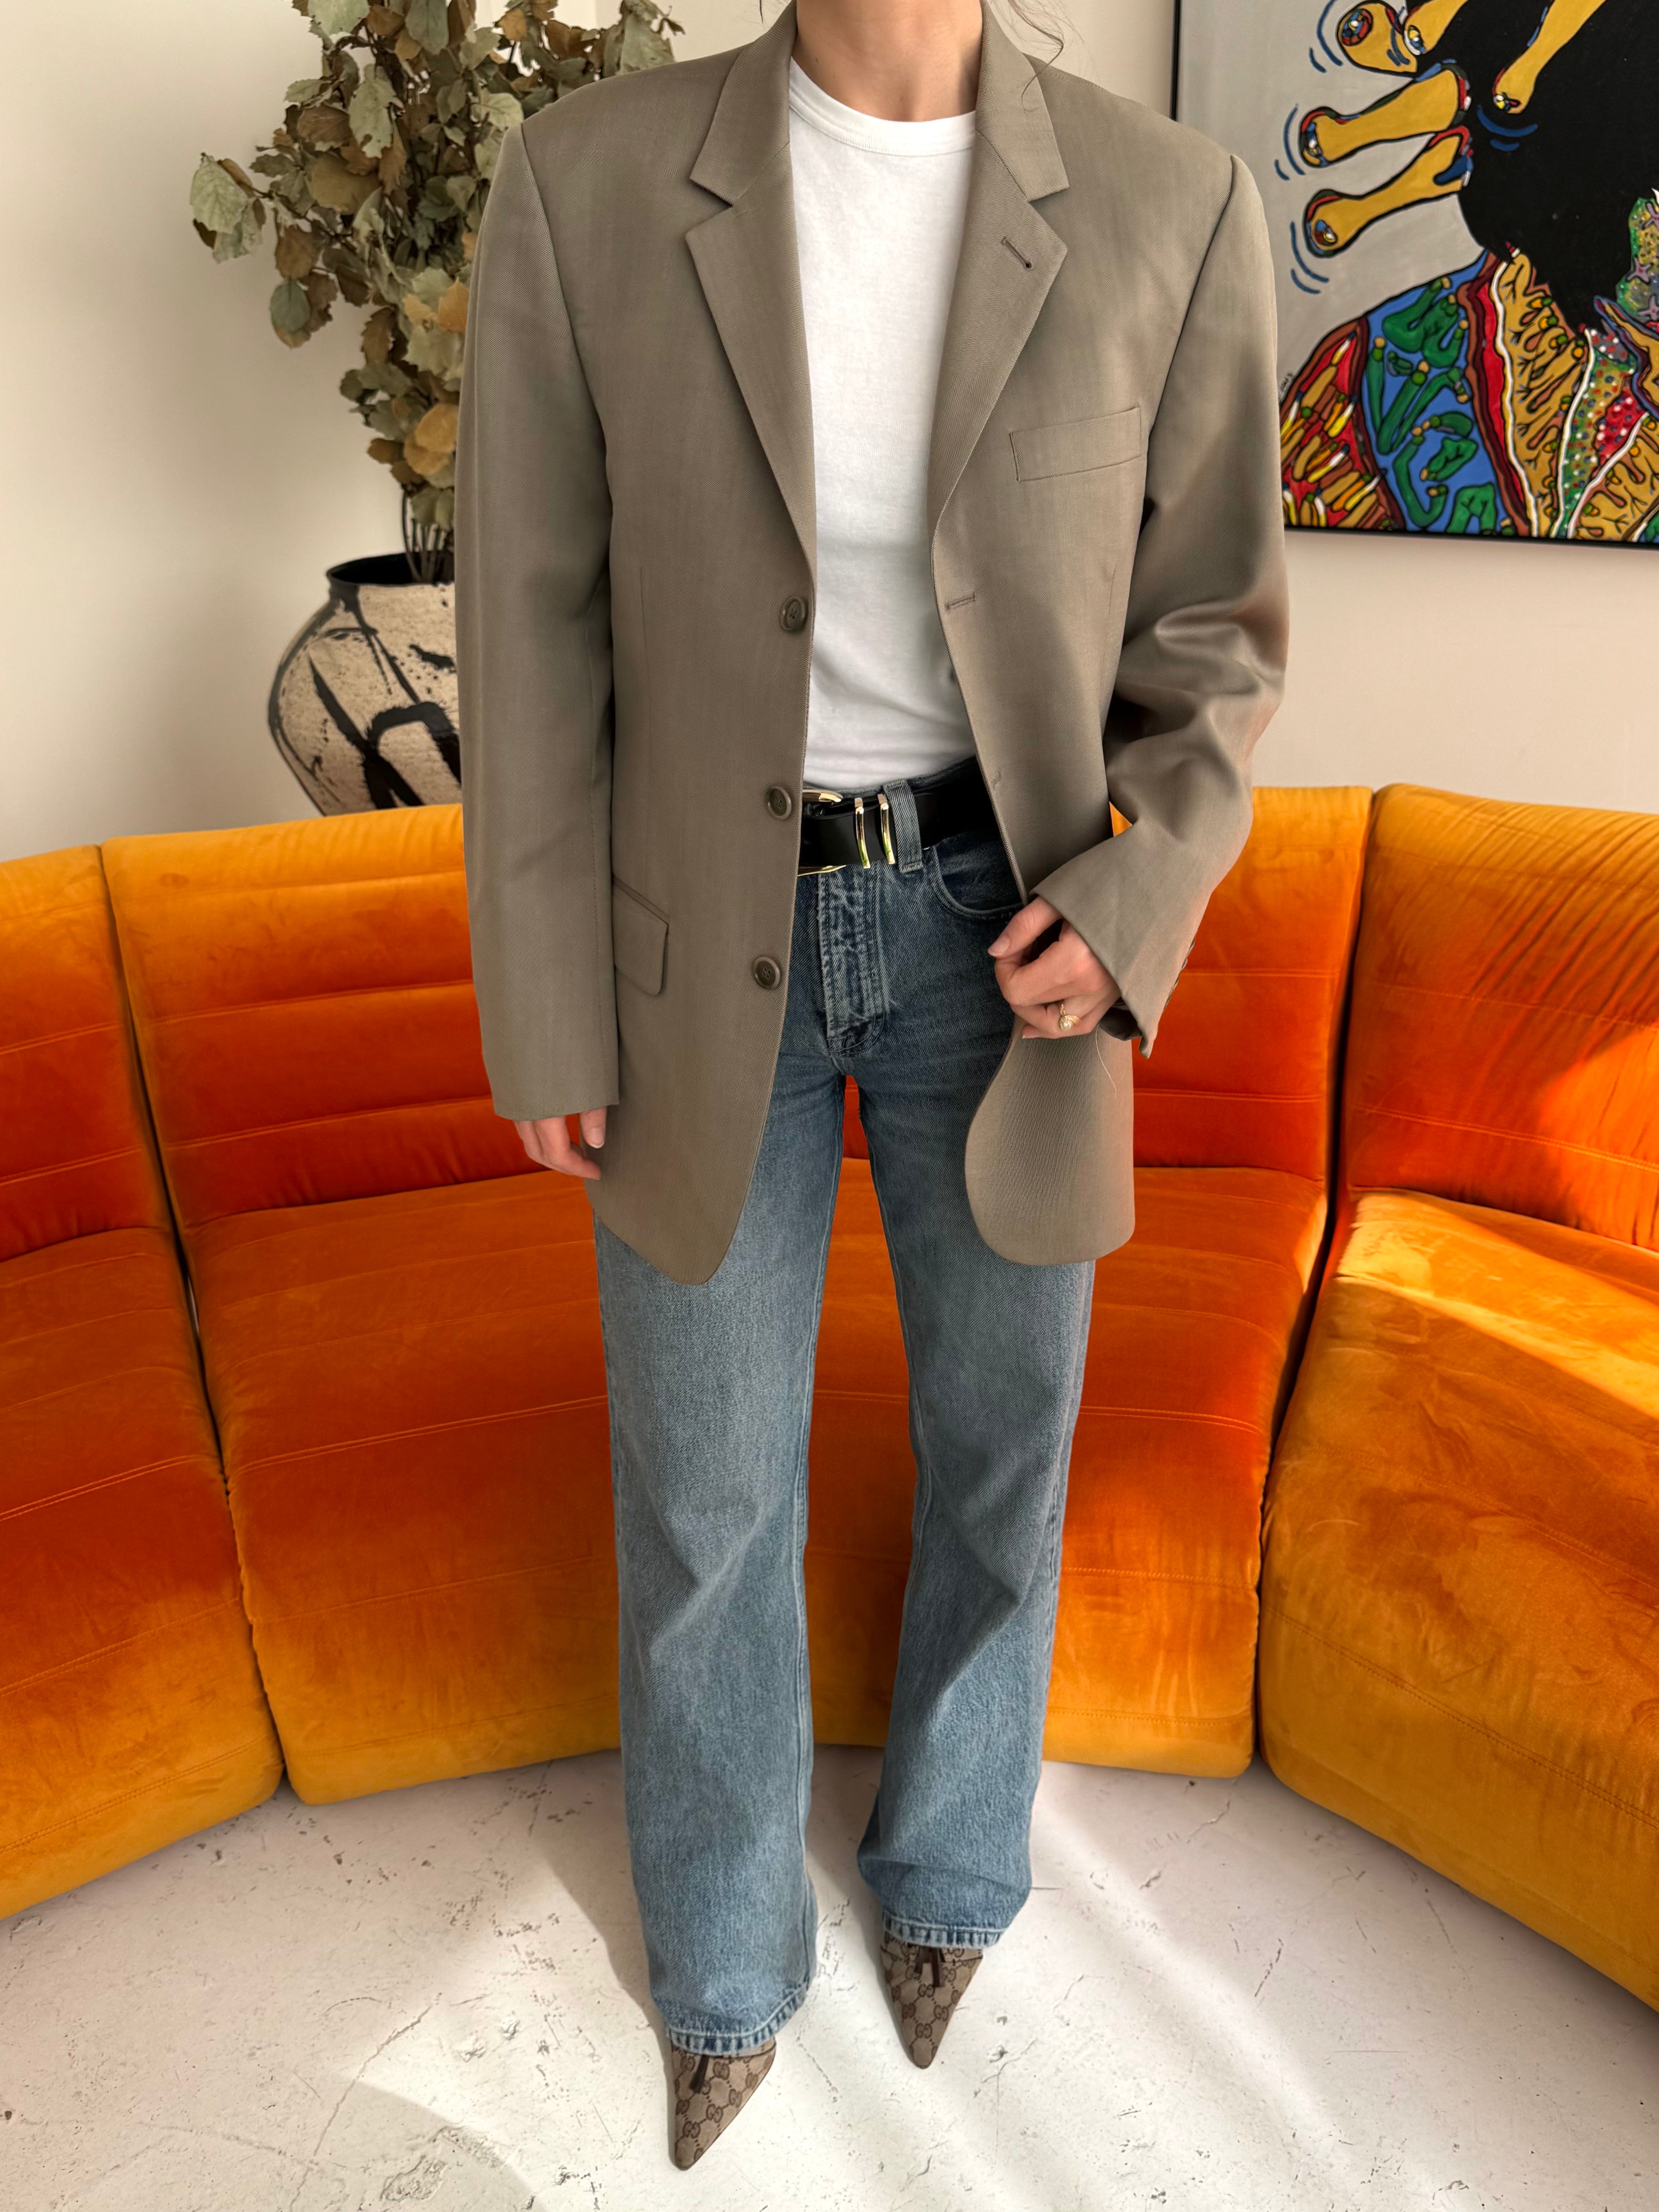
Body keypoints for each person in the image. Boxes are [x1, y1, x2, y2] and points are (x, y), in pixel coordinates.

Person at [455, 0, 1287, 2169]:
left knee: (1007, 1443)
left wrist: (1136, 897)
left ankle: (951, 1866)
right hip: (688, 943)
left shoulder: (1172, 202)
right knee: (702, 1487)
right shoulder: (587, 180)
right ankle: (726, 1961)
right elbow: (529, 628)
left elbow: (1216, 633)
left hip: (1009, 940)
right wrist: (541, 1000)